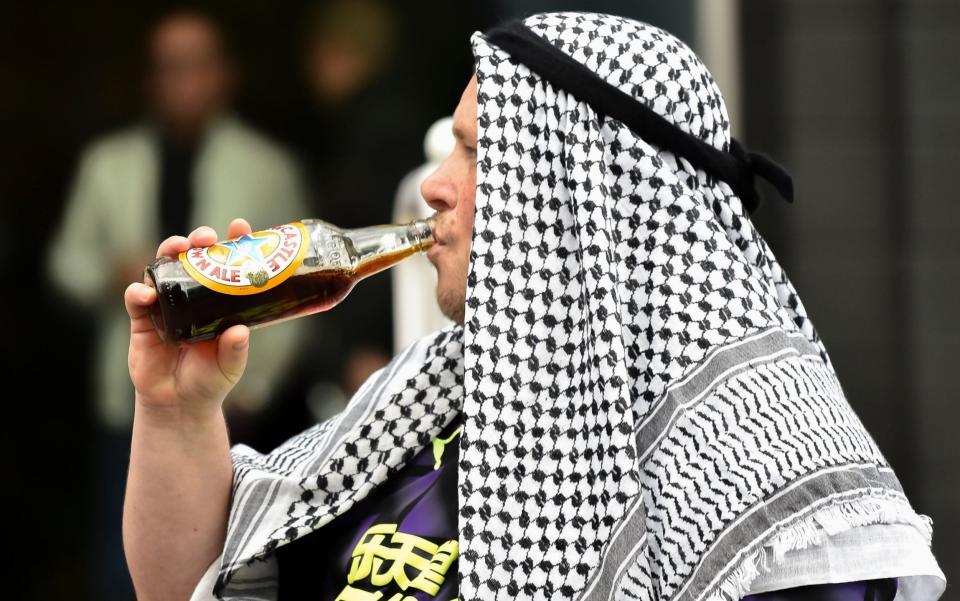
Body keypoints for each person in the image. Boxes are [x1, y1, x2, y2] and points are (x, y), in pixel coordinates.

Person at [122, 13, 945, 601]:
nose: (436, 185)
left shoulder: (762, 464)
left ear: (580, 193)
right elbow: (192, 584)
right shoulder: (428, 393)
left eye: (475, 153)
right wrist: (177, 409)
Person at [48, 10, 308, 597]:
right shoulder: (107, 163)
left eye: (196, 65)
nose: (182, 80)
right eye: (169, 67)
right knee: (121, 562)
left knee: (230, 570)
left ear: (225, 74)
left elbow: (297, 289)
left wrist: (260, 387)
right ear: (150, 78)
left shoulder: (268, 166)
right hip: (129, 392)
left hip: (236, 395)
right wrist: (112, 271)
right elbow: (65, 263)